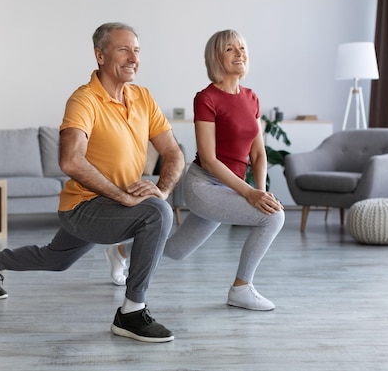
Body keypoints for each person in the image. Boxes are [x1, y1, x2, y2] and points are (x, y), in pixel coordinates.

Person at [0, 22, 185, 343]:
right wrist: (125, 198)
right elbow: (70, 160)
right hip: (84, 206)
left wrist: (163, 189)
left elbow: (173, 152)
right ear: (100, 55)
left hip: (113, 206)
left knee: (54, 259)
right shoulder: (84, 100)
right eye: (123, 49)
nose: (133, 58)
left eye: (136, 50)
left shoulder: (142, 97)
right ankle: (131, 312)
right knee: (157, 213)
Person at [106, 29, 285, 311]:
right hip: (203, 186)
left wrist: (260, 193)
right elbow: (211, 159)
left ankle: (120, 251)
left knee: (177, 250)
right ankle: (241, 289)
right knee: (274, 218)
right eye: (230, 49)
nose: (239, 53)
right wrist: (250, 194)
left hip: (230, 187)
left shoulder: (251, 98)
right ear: (216, 57)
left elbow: (258, 152)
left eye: (242, 48)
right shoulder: (206, 98)